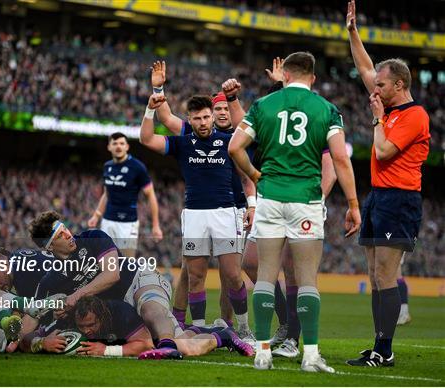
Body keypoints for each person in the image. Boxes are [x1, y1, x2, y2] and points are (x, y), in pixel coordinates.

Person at [229, 51, 361, 373]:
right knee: (306, 280)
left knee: (264, 275)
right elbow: (341, 160)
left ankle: (262, 354)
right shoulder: (327, 110)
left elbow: (235, 147)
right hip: (305, 200)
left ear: (284, 75)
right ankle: (310, 356)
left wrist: (255, 174)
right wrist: (354, 204)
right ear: (313, 78)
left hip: (271, 197)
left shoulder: (263, 106)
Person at [346, 0, 430, 367]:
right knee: (373, 274)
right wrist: (352, 33)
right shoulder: (390, 104)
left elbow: (382, 151)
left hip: (400, 199)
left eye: (381, 86)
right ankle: (380, 344)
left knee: (386, 274)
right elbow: (365, 67)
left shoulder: (414, 116)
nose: (374, 90)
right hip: (378, 197)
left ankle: (385, 348)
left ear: (399, 84)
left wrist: (378, 118)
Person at [149, 60, 255, 338]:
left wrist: (249, 205)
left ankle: (242, 328)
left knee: (232, 275)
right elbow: (166, 118)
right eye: (200, 117)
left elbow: (248, 129)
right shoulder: (187, 135)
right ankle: (195, 328)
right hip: (195, 213)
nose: (205, 120)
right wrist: (158, 87)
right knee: (193, 274)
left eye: (212, 114)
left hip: (227, 212)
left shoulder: (232, 139)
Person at [29, 211, 184, 359]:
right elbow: (31, 320)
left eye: (65, 228)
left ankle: (166, 346)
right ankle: (202, 331)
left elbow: (112, 275)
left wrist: (74, 297)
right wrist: (38, 341)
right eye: (60, 235)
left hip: (138, 280)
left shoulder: (93, 237)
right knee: (186, 347)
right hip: (118, 309)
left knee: (150, 311)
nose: (68, 234)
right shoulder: (50, 282)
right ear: (49, 246)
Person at [20, 295, 254, 358]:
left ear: (101, 317)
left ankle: (223, 335)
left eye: (91, 325)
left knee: (184, 348)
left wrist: (107, 350)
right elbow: (25, 338)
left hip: (152, 328)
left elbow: (145, 344)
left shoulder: (119, 313)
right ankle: (211, 328)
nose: (87, 331)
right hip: (150, 329)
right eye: (82, 327)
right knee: (184, 336)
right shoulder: (69, 319)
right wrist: (41, 343)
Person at [87, 132, 163, 258]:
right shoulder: (107, 166)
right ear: (109, 147)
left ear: (127, 147)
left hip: (128, 223)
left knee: (127, 263)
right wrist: (96, 215)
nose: (118, 146)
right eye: (115, 143)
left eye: (122, 143)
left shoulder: (137, 167)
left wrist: (155, 225)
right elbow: (106, 194)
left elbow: (151, 195)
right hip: (108, 221)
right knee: (106, 263)